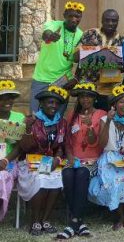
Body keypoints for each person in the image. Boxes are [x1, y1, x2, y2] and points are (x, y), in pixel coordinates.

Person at [88, 84, 124, 230]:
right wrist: (109, 121)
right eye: (122, 102)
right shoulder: (104, 119)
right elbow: (102, 144)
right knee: (112, 179)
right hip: (109, 157)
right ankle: (120, 216)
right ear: (114, 104)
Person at [58, 83, 107, 239]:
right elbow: (67, 141)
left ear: (94, 98)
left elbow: (96, 142)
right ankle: (79, 222)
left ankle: (73, 223)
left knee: (81, 174)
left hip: (92, 160)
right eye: (82, 96)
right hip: (74, 158)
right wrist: (70, 157)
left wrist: (90, 126)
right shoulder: (72, 115)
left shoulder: (101, 114)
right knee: (67, 174)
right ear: (78, 99)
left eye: (89, 96)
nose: (85, 99)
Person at [18, 86, 68, 236]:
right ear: (41, 104)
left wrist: (57, 158)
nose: (54, 106)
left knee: (57, 179)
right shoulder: (32, 120)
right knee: (40, 179)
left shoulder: (62, 123)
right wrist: (28, 129)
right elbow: (25, 147)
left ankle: (45, 220)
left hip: (50, 161)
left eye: (57, 103)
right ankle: (35, 221)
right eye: (50, 102)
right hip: (30, 162)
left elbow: (61, 146)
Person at [30, 1, 84, 113]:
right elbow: (46, 34)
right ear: (64, 15)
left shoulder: (81, 35)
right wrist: (50, 36)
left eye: (77, 16)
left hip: (63, 82)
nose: (74, 19)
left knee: (57, 117)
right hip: (42, 78)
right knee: (35, 115)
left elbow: (81, 60)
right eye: (70, 16)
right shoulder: (54, 25)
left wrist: (76, 78)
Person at [78, 9, 124, 111]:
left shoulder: (122, 41)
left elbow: (123, 67)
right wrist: (89, 51)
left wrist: (116, 63)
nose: (110, 23)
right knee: (85, 116)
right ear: (102, 20)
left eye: (114, 21)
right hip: (88, 86)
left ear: (117, 22)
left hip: (109, 89)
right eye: (107, 20)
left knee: (105, 116)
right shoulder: (90, 34)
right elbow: (75, 57)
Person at [0, 80, 25, 222]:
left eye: (10, 98)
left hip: (9, 160)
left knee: (2, 176)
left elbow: (20, 146)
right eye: (3, 98)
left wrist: (5, 160)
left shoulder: (19, 118)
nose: (8, 101)